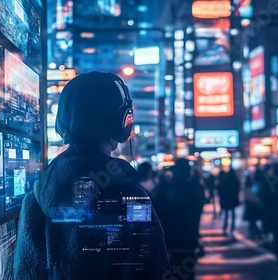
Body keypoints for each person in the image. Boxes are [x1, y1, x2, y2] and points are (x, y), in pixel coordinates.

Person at [13, 71, 170, 279]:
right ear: (121, 121)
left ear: (62, 123)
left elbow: (26, 273)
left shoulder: (36, 199)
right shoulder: (132, 199)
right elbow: (156, 270)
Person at [153, 158, 205, 279]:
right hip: (189, 242)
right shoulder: (196, 189)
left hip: (169, 242)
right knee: (188, 275)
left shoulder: (165, 190)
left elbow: (158, 213)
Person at [217, 165, 240, 235]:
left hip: (227, 199)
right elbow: (238, 189)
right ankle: (232, 227)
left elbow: (220, 189)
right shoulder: (235, 180)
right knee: (232, 212)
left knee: (227, 213)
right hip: (232, 199)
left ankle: (225, 226)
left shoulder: (225, 180)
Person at [243, 169, 262, 240]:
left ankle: (254, 233)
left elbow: (245, 194)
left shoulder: (247, 184)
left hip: (249, 203)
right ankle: (256, 233)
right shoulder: (255, 184)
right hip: (254, 203)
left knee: (252, 221)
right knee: (253, 220)